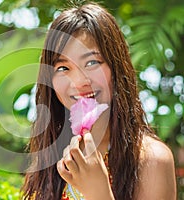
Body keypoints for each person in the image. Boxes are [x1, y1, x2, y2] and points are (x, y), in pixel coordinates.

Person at [21, 1, 176, 200]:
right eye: (63, 68)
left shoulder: (151, 159)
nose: (79, 81)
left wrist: (99, 192)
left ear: (117, 68)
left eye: (92, 62)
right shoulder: (52, 156)